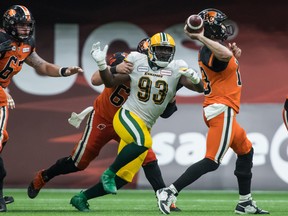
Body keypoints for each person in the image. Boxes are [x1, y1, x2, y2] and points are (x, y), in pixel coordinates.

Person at [28, 39, 180, 212]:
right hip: (104, 119)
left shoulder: (163, 74)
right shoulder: (126, 62)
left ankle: (165, 198)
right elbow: (95, 79)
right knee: (78, 163)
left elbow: (166, 112)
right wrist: (114, 68)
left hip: (131, 121)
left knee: (148, 157)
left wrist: (171, 98)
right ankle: (45, 175)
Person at [156, 8, 269, 215]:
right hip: (221, 108)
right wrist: (200, 36)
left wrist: (233, 56)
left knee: (246, 150)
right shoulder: (208, 50)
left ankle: (245, 202)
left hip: (224, 109)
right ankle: (168, 192)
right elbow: (221, 56)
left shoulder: (214, 49)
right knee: (212, 160)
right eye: (220, 23)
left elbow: (225, 61)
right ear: (210, 28)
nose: (224, 27)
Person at [90, 32, 204, 203]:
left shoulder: (176, 67)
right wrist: (102, 65)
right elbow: (109, 82)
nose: (164, 54)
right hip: (128, 115)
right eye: (160, 50)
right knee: (144, 143)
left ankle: (82, 197)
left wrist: (196, 80)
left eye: (167, 50)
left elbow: (199, 89)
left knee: (125, 176)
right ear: (150, 51)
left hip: (145, 124)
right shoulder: (137, 60)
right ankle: (109, 173)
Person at [0, 5, 83, 212]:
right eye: (20, 25)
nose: (25, 30)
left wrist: (64, 71)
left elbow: (41, 66)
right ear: (9, 25)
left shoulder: (25, 45)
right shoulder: (1, 40)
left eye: (27, 26)